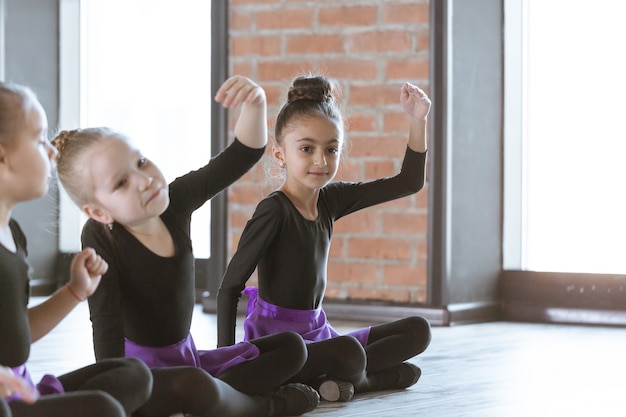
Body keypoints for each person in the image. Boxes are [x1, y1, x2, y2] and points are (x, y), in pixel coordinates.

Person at [52, 75, 320, 417]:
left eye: (141, 161)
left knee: (291, 347)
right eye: (121, 182)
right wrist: (122, 391)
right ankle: (263, 406)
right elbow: (104, 324)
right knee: (197, 388)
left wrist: (255, 103)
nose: (144, 179)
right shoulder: (100, 237)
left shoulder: (175, 201)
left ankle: (223, 402)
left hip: (190, 360)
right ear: (99, 211)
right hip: (144, 378)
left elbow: (244, 153)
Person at [217, 75, 433, 401]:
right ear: (280, 155)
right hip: (280, 344)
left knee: (419, 329)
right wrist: (227, 360)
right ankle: (366, 380)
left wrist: (418, 120)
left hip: (320, 333)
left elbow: (409, 182)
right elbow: (230, 286)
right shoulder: (274, 211)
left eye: (331, 149)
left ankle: (343, 381)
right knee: (349, 354)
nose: (321, 160)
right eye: (306, 148)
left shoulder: (330, 201)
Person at [0, 82, 153, 417]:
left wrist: (74, 291)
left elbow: (15, 336)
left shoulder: (13, 234)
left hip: (21, 391)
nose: (52, 151)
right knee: (104, 408)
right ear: (2, 156)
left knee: (133, 374)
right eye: (40, 140)